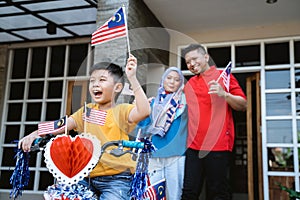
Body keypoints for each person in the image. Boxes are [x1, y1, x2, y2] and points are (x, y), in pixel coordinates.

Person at [18, 54, 151, 200]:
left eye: (102, 80)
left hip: (117, 179)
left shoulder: (122, 110)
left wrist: (132, 77)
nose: (95, 84)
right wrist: (35, 134)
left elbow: (144, 111)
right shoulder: (86, 111)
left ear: (117, 87)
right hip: (85, 175)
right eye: (92, 81)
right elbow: (61, 124)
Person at [180, 44, 247, 200]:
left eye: (194, 59)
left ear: (206, 57)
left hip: (217, 145)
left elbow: (243, 105)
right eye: (187, 62)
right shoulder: (189, 84)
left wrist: (224, 94)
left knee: (218, 193)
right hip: (193, 146)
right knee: (189, 192)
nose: (191, 64)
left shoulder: (223, 76)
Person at [138, 67, 188, 200]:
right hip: (154, 154)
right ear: (163, 80)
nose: (172, 82)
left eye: (177, 80)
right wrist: (140, 109)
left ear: (181, 84)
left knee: (175, 194)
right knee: (153, 194)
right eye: (169, 78)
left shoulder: (185, 104)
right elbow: (143, 125)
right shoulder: (153, 103)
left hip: (176, 155)